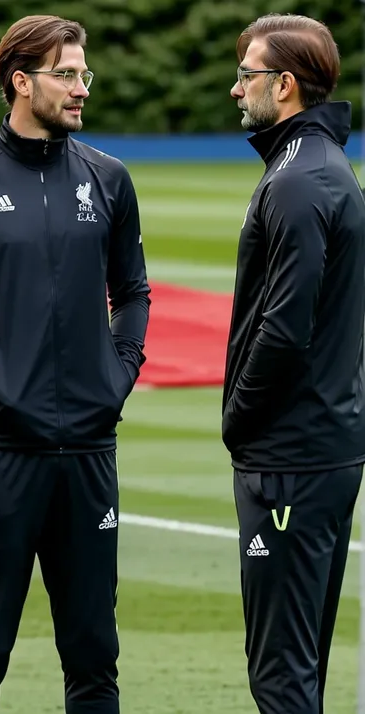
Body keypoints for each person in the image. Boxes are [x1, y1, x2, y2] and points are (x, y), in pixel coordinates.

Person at [0, 14, 150, 714]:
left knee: (94, 657)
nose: (82, 88)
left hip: (88, 449)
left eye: (85, 75)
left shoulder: (109, 179)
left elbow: (132, 290)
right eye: (67, 74)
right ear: (22, 81)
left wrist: (121, 371)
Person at [222, 13, 365, 714]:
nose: (234, 89)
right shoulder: (317, 165)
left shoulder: (300, 178)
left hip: (291, 455)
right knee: (298, 667)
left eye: (246, 74)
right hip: (319, 447)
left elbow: (286, 325)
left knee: (280, 675)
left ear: (283, 85)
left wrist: (239, 418)